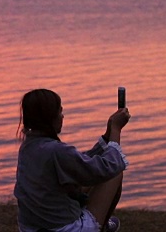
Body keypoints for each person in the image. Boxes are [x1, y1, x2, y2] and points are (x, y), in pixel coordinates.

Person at [14, 89, 131, 232]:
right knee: (114, 173)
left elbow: (77, 164)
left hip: (31, 228)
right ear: (50, 117)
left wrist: (107, 136)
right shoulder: (56, 151)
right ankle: (102, 226)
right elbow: (109, 166)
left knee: (86, 176)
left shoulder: (28, 147)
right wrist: (116, 130)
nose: (62, 116)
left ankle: (103, 225)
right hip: (62, 228)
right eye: (60, 112)